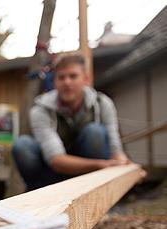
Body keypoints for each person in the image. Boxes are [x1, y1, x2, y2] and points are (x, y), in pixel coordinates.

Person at [12, 53, 129, 191]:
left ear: (86, 78)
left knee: (95, 132)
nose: (67, 82)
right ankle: (41, 194)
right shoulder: (40, 110)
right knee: (22, 145)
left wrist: (123, 164)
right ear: (54, 81)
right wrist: (100, 165)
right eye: (61, 77)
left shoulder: (103, 103)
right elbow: (56, 159)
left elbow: (115, 147)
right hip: (51, 174)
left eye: (73, 76)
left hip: (89, 175)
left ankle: (96, 190)